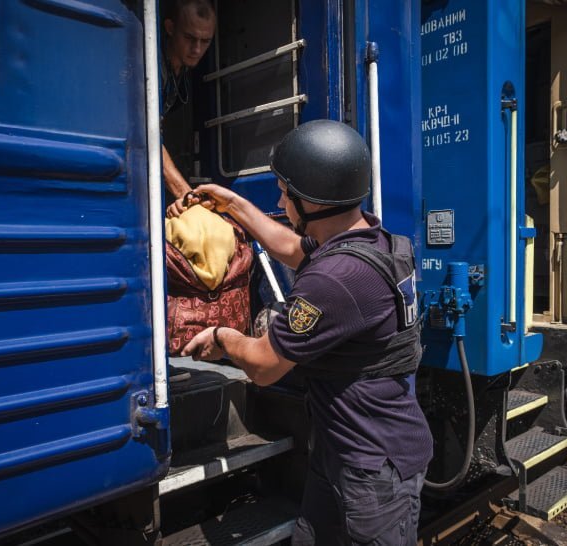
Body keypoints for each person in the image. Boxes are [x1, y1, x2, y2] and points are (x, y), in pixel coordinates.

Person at [182, 120, 433, 545]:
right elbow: (293, 249)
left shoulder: (337, 279)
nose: (281, 198)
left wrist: (224, 337)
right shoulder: (372, 241)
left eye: (285, 191)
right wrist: (233, 204)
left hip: (373, 467)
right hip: (344, 449)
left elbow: (262, 367)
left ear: (312, 200)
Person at [160, 0, 215, 219]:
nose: (197, 50)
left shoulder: (181, 70)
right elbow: (147, 136)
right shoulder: (153, 67)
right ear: (170, 28)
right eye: (190, 38)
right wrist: (186, 195)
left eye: (205, 41)